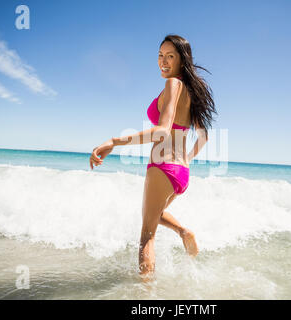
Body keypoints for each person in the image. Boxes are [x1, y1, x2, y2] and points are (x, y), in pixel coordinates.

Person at [89, 34, 217, 280]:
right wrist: (187, 159)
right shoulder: (194, 92)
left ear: (182, 60)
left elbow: (162, 130)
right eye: (160, 55)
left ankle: (145, 296)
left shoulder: (173, 85)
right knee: (154, 215)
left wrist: (115, 141)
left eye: (171, 56)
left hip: (163, 166)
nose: (164, 62)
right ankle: (183, 231)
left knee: (147, 235)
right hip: (182, 173)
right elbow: (204, 137)